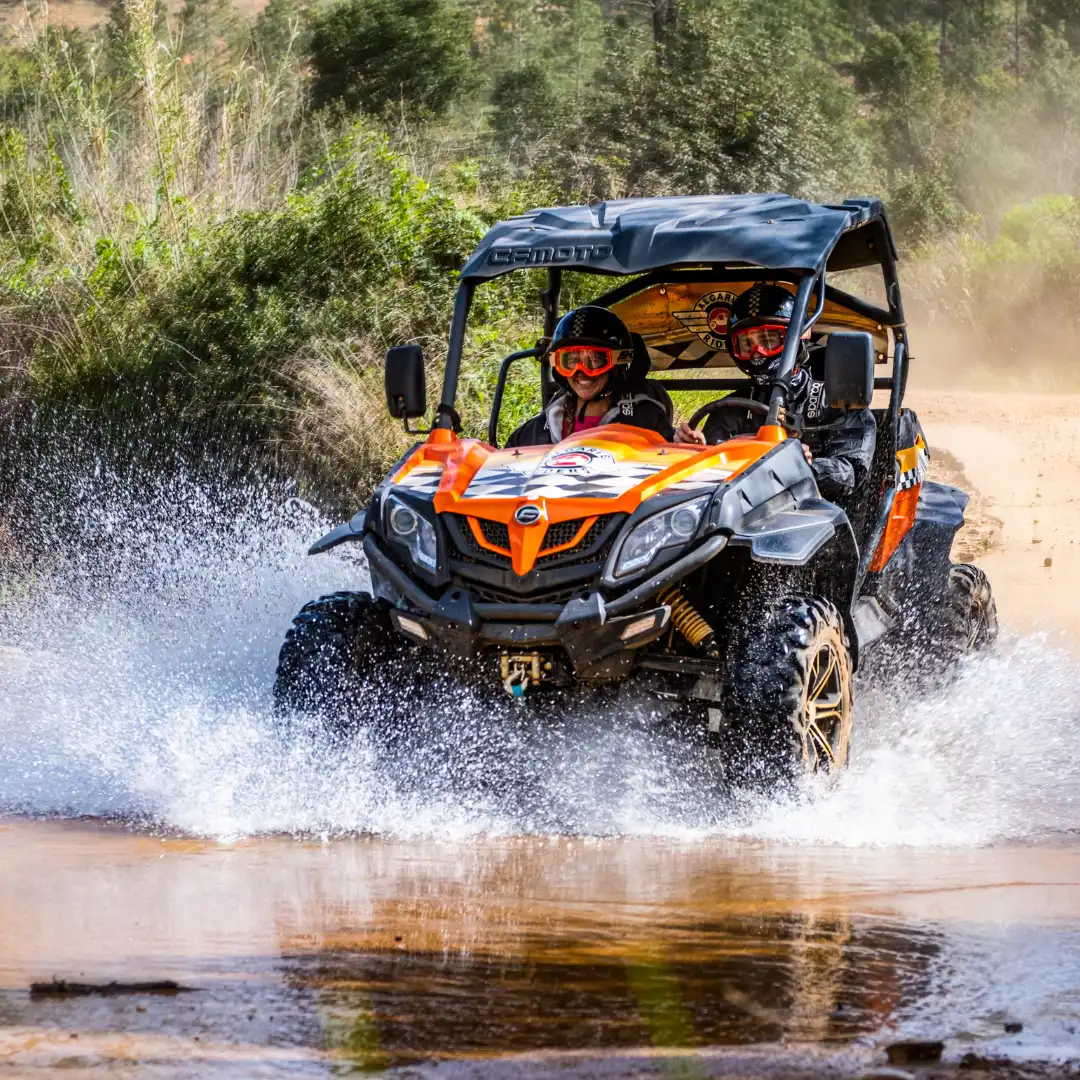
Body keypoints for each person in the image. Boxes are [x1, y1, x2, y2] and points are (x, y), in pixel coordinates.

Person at [674, 284, 876, 503]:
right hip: (742, 512)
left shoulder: (834, 401)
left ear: (798, 337)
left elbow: (852, 472)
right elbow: (715, 473)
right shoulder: (730, 407)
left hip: (817, 512)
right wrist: (698, 452)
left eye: (769, 340)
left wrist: (808, 466)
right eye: (747, 344)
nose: (757, 353)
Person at [506, 305, 674, 447]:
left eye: (595, 359)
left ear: (618, 362)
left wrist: (685, 442)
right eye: (571, 360)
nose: (581, 371)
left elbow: (672, 457)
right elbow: (506, 460)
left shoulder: (645, 420)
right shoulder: (546, 422)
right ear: (558, 365)